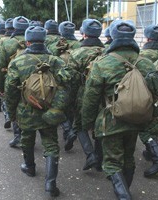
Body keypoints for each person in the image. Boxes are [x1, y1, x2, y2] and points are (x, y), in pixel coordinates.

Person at [81, 20, 155, 199]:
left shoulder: (103, 63)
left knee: (112, 162)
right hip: (139, 118)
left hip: (111, 119)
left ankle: (123, 196)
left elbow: (91, 97)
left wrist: (87, 122)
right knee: (128, 158)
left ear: (112, 37)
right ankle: (124, 191)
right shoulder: (146, 62)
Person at [4, 26, 69, 197]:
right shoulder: (56, 61)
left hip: (26, 110)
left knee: (27, 138)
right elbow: (67, 85)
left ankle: (30, 167)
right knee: (51, 144)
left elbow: (10, 91)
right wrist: (58, 108)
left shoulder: (17, 62)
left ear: (27, 42)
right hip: (50, 110)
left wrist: (11, 113)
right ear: (45, 41)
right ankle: (50, 184)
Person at [67, 18, 105, 171]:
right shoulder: (107, 50)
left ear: (84, 34)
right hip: (105, 96)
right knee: (100, 125)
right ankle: (99, 160)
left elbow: (71, 79)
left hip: (84, 94)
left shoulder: (77, 53)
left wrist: (71, 98)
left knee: (80, 125)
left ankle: (90, 155)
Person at [138, 25, 158, 177]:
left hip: (148, 99)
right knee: (153, 123)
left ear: (147, 38)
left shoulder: (142, 55)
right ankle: (150, 153)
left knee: (144, 128)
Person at [0, 16, 30, 147]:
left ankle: (18, 135)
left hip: (12, 80)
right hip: (32, 82)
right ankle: (28, 135)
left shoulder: (7, 43)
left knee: (14, 105)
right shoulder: (34, 40)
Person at [49, 21, 81, 151]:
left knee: (59, 107)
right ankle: (69, 131)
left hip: (59, 83)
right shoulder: (80, 46)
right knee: (72, 108)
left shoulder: (53, 46)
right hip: (77, 83)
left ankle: (68, 131)